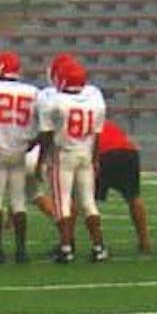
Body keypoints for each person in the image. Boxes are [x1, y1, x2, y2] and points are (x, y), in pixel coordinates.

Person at [38, 54, 109, 263]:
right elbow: (97, 134)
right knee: (88, 202)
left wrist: (43, 159)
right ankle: (99, 246)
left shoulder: (56, 102)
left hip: (64, 154)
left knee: (62, 203)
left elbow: (47, 135)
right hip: (85, 153)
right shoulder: (94, 101)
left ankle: (66, 247)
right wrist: (95, 158)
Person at [0, 49, 40, 263]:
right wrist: (31, 142)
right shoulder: (32, 91)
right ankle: (21, 250)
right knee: (18, 202)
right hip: (20, 151)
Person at [95, 115, 150, 254]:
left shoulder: (88, 122)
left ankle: (96, 244)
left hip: (104, 154)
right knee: (133, 197)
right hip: (129, 153)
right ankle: (145, 241)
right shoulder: (108, 123)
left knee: (87, 200)